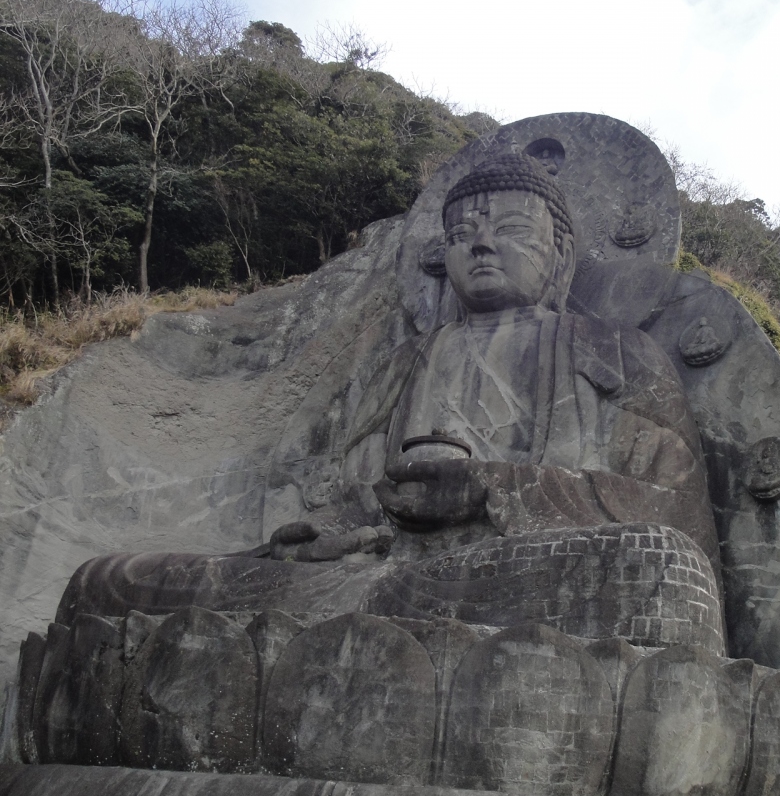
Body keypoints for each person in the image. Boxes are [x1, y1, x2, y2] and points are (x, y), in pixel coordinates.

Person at [55, 152, 719, 624]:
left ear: (562, 255)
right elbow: (356, 498)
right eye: (461, 235)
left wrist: (492, 489)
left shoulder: (619, 353)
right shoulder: (403, 362)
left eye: (512, 230)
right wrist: (329, 531)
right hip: (379, 575)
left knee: (661, 569)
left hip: (524, 572)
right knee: (110, 583)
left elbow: (676, 515)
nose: (481, 246)